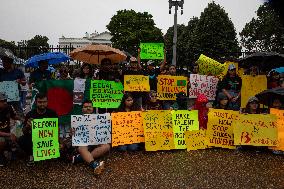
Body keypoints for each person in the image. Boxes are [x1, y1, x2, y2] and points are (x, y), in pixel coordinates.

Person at [71, 100, 110, 175]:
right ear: (82, 109)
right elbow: (73, 135)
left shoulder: (99, 117)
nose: (88, 108)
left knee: (107, 146)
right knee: (81, 148)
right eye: (85, 107)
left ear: (93, 108)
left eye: (90, 107)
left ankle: (80, 158)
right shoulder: (77, 119)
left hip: (96, 141)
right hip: (83, 142)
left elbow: (103, 131)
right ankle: (94, 164)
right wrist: (72, 132)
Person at [18, 93, 58, 166]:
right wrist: (27, 126)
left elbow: (56, 130)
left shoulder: (52, 113)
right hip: (34, 139)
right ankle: (31, 155)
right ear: (36, 102)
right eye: (40, 102)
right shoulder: (30, 114)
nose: (42, 104)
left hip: (48, 138)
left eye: (44, 102)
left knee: (61, 145)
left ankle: (48, 153)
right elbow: (24, 132)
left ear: (47, 102)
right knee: (22, 140)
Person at [0, 93, 18, 166]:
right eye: (2, 101)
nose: (5, 102)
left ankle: (13, 150)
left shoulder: (9, 107)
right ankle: (1, 155)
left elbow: (15, 117)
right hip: (2, 134)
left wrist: (25, 119)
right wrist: (10, 134)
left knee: (20, 132)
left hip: (7, 132)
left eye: (5, 100)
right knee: (1, 141)